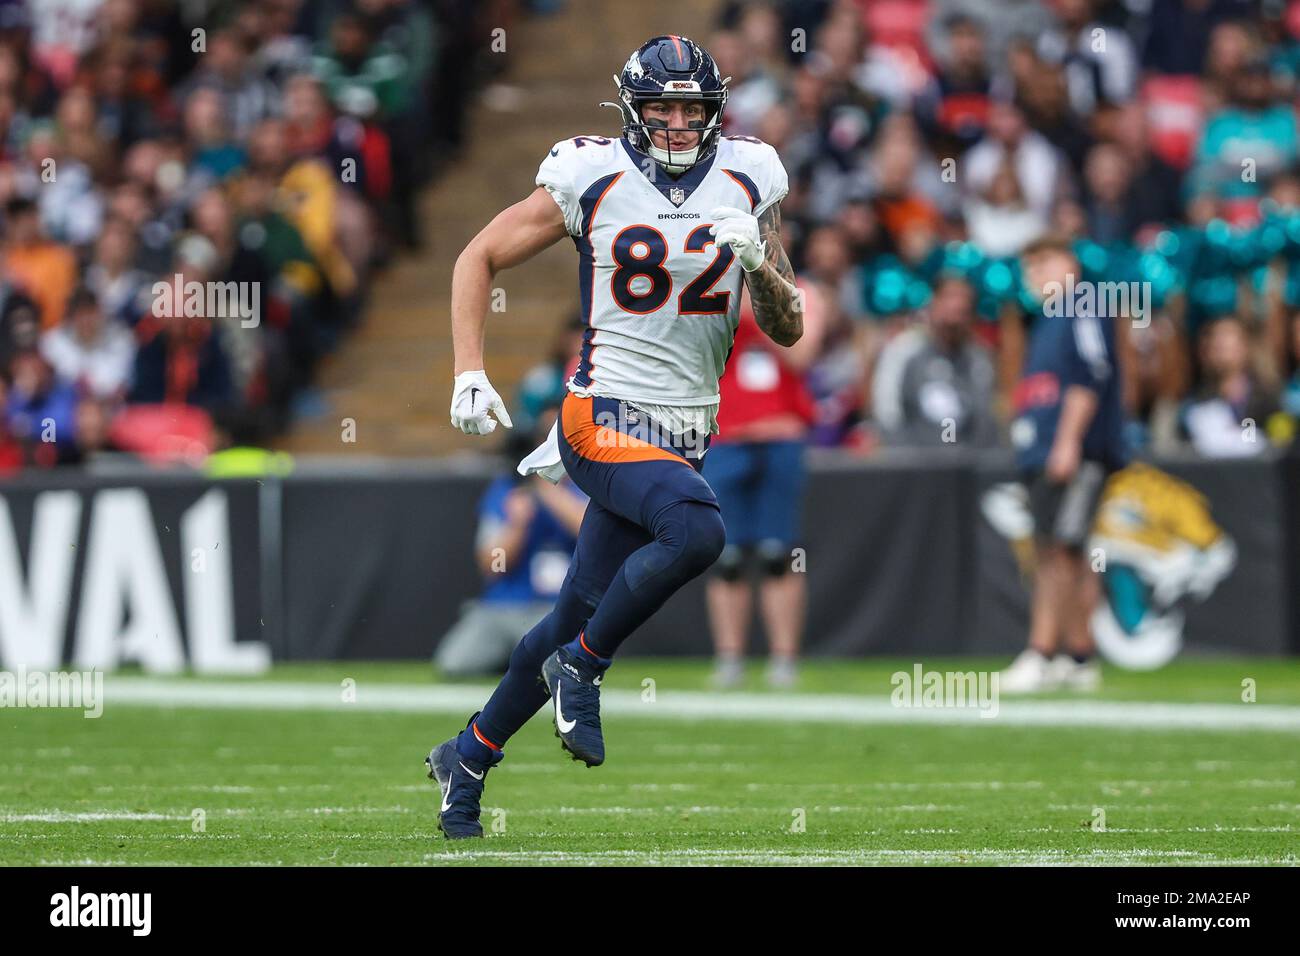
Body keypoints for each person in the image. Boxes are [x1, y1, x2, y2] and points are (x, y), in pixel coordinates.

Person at [428, 35, 800, 838]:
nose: (675, 122)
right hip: (602, 411)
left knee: (568, 617)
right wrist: (468, 368)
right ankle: (585, 672)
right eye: (661, 107)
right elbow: (478, 254)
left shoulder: (750, 174)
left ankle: (469, 754)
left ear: (714, 112)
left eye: (690, 108)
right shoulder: (588, 172)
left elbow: (790, 325)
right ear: (632, 110)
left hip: (684, 431)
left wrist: (760, 268)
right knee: (698, 531)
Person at [1000, 235, 1128, 693]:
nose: (1036, 274)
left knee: (1060, 550)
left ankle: (1041, 651)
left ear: (1070, 263)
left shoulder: (1084, 305)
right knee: (1060, 551)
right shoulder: (1047, 320)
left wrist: (1068, 442)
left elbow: (1091, 374)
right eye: (1029, 266)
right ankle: (1077, 655)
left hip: (1076, 452)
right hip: (1045, 450)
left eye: (1044, 262)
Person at [434, 401, 587, 677]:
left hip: (554, 608)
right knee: (455, 663)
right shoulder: (506, 489)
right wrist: (516, 525)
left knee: (554, 668)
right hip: (501, 606)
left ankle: (521, 661)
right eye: (544, 435)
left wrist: (545, 486)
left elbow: (587, 529)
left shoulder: (584, 481)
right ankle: (512, 660)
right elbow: (490, 564)